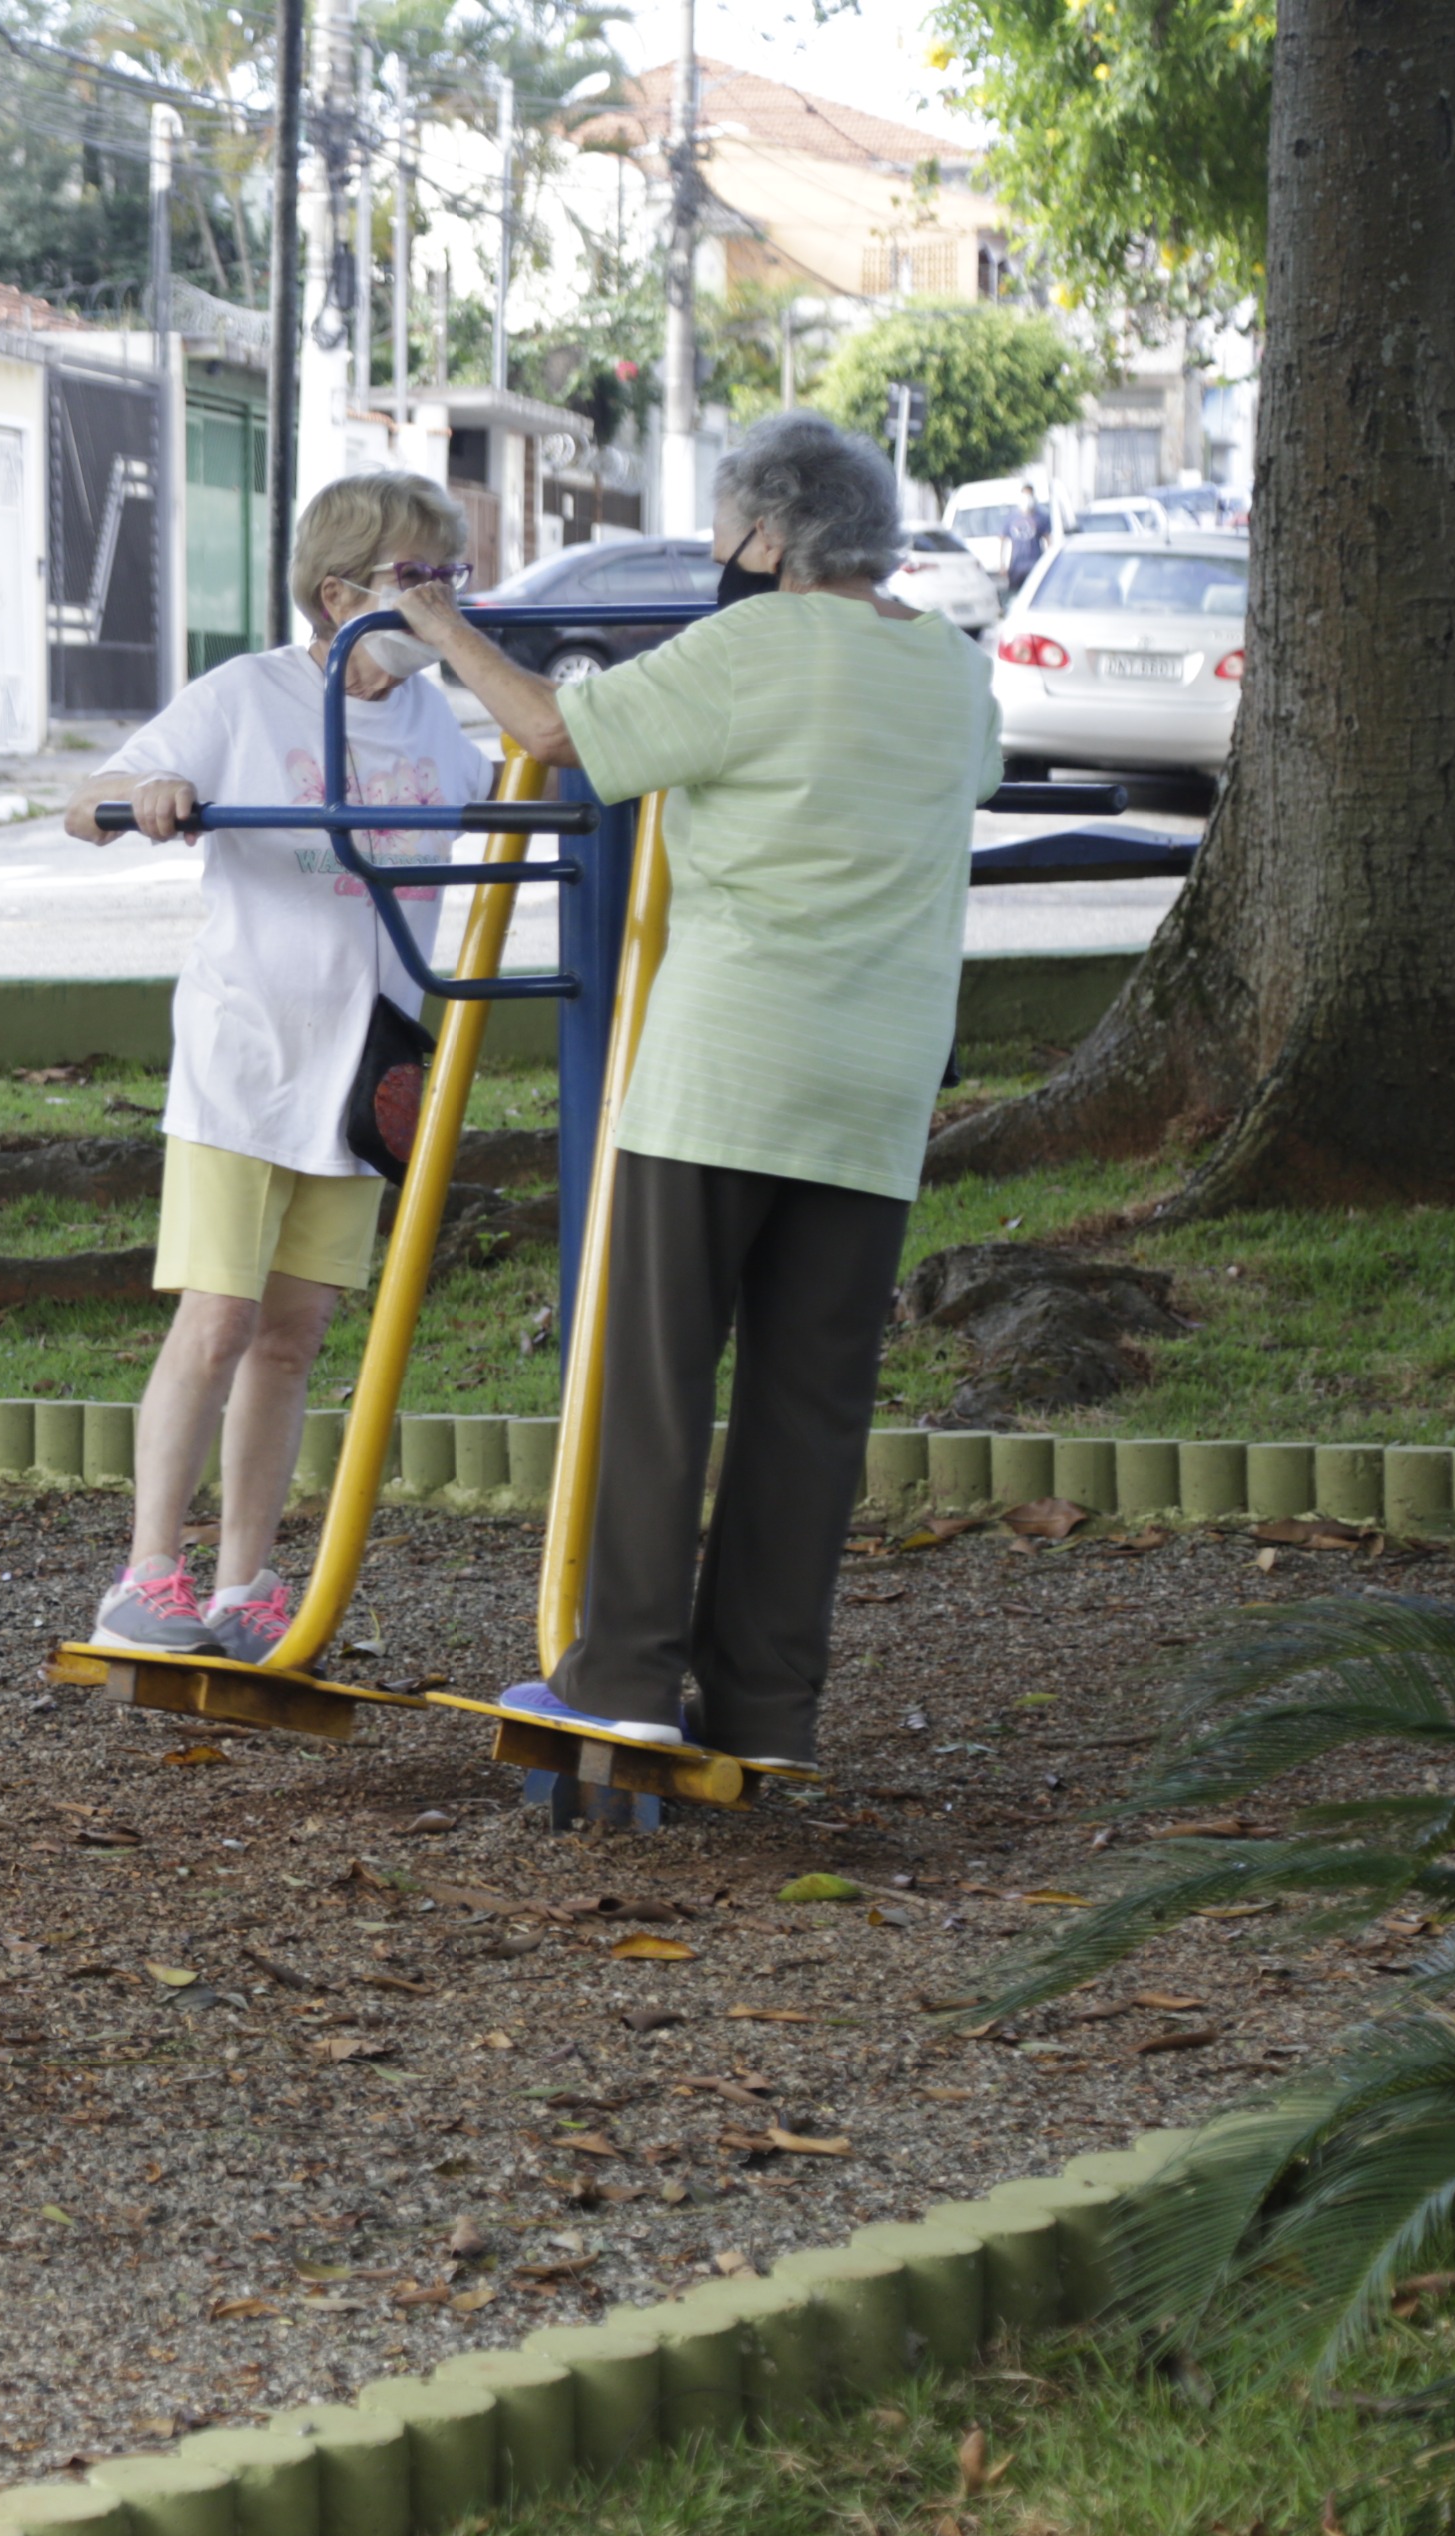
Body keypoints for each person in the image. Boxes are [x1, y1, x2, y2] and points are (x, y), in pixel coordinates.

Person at [378, 409, 999, 1765]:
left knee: (657, 1379)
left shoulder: (753, 641)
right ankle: (768, 1705)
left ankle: (621, 1678)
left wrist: (437, 623)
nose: (719, 556)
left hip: (730, 1064)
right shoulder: (955, 671)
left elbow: (552, 729)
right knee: (810, 1403)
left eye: (726, 534)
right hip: (879, 1076)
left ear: (772, 537)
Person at [70, 471, 489, 1660]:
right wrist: (146, 793)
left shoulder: (433, 723)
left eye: (454, 574)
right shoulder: (248, 695)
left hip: (367, 1071)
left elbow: (511, 789)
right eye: (423, 578)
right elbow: (81, 802)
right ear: (338, 593)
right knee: (217, 1315)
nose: (448, 599)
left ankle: (245, 1583)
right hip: (248, 1055)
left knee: (292, 1331)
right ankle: (148, 1568)